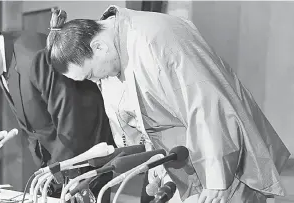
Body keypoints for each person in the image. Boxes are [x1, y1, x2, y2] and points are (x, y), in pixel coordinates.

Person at [45, 6, 291, 203]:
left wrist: (216, 178)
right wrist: (154, 159)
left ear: (99, 46)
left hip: (222, 159)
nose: (96, 81)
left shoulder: (156, 37)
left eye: (90, 75)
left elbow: (206, 103)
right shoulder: (121, 45)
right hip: (185, 163)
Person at [0, 29, 114, 200]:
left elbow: (71, 114)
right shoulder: (2, 57)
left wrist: (57, 170)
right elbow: (32, 126)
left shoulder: (32, 54)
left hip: (83, 153)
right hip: (57, 161)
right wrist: (46, 170)